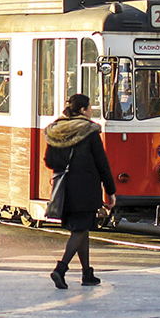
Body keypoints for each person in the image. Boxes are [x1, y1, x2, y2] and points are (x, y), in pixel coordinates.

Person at [44, 93, 116, 289]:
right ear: (83, 110)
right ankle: (60, 269)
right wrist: (110, 191)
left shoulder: (55, 130)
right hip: (85, 188)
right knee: (79, 230)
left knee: (81, 229)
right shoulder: (90, 131)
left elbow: (50, 161)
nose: (91, 110)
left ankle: (87, 273)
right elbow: (102, 163)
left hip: (64, 189)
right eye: (90, 107)